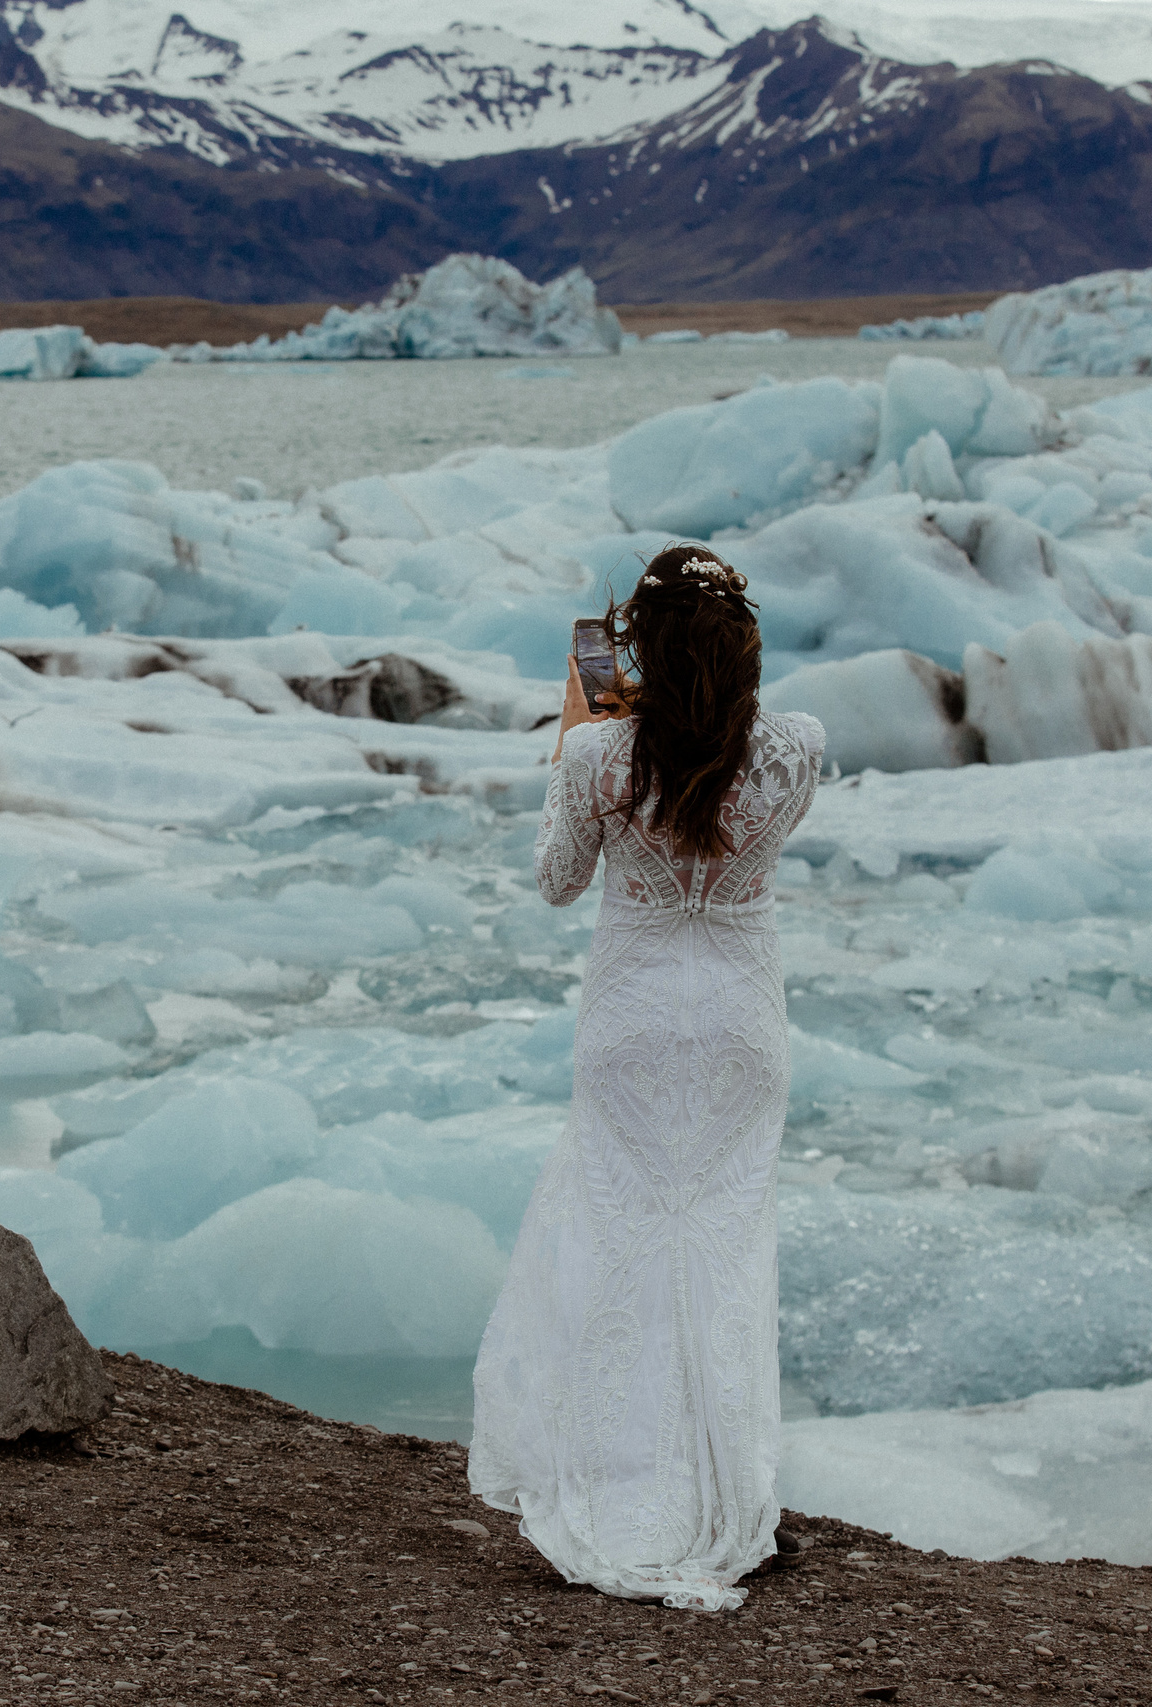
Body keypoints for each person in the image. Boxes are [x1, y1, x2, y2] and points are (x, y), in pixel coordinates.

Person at [469, 544, 826, 1612]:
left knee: (619, 1245)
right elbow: (740, 839)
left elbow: (554, 882)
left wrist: (579, 734)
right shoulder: (799, 749)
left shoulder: (599, 758)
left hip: (630, 1029)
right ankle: (727, 1493)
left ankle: (625, 1483)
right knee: (720, 1252)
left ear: (638, 652)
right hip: (739, 1030)